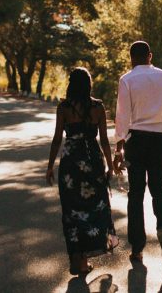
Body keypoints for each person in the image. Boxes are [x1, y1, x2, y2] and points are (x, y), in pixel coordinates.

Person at [113, 40, 162, 267]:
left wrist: (118, 147)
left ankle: (137, 248)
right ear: (150, 56)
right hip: (160, 140)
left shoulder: (127, 80)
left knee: (136, 194)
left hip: (136, 140)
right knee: (159, 189)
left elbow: (122, 117)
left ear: (131, 58)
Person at [46, 67, 119, 276]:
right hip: (92, 161)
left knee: (71, 210)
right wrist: (110, 166)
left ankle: (75, 258)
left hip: (70, 163)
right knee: (93, 207)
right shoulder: (97, 107)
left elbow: (57, 139)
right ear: (88, 84)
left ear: (71, 84)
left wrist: (50, 166)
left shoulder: (64, 107)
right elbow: (104, 140)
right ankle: (84, 261)